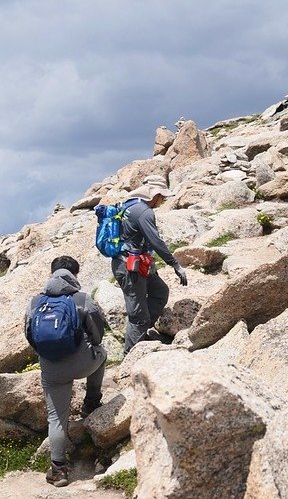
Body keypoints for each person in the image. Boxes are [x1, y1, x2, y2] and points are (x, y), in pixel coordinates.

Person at [25, 255, 107, 488]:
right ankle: (91, 402)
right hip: (83, 363)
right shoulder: (81, 299)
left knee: (56, 419)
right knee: (102, 355)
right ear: (75, 274)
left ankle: (59, 470)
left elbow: (30, 335)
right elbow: (97, 333)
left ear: (51, 274)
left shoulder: (35, 302)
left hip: (52, 370)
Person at [112, 175, 188, 355]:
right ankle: (131, 356)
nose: (162, 201)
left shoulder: (128, 205)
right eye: (162, 197)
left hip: (135, 263)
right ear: (155, 195)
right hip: (131, 268)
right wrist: (175, 264)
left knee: (160, 292)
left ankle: (140, 337)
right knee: (138, 316)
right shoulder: (144, 211)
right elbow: (156, 241)